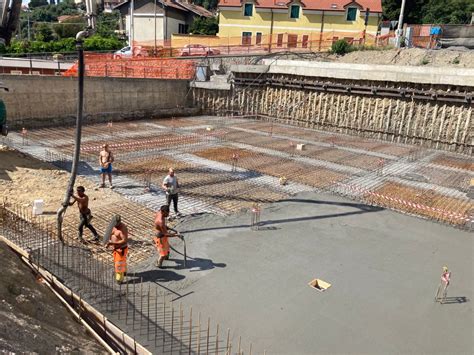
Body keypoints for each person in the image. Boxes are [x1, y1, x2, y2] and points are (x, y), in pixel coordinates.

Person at [106, 215, 128, 284]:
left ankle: (119, 279)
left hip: (121, 249)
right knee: (119, 261)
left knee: (119, 264)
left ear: (119, 222)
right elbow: (110, 234)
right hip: (115, 248)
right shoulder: (113, 226)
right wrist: (108, 242)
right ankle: (124, 271)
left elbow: (124, 240)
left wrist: (113, 242)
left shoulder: (123, 229)